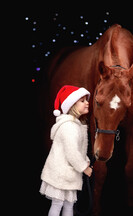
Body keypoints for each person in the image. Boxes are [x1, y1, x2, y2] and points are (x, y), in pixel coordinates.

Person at [39, 85, 93, 216]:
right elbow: (72, 153)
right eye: (82, 101)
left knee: (68, 204)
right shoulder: (69, 127)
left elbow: (78, 150)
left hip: (68, 174)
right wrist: (84, 168)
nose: (87, 103)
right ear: (72, 106)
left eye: (86, 100)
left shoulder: (75, 125)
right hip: (61, 174)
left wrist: (85, 160)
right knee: (58, 204)